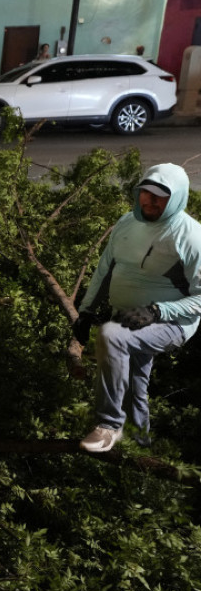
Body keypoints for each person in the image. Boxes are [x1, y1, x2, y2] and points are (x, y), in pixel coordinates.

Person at [73, 164, 201, 452]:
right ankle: (138, 448)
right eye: (146, 193)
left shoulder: (191, 236)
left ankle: (108, 426)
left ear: (177, 199)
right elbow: (105, 268)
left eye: (160, 197)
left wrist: (157, 312)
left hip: (173, 323)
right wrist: (86, 311)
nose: (150, 201)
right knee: (133, 387)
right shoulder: (126, 223)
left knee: (111, 337)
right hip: (130, 318)